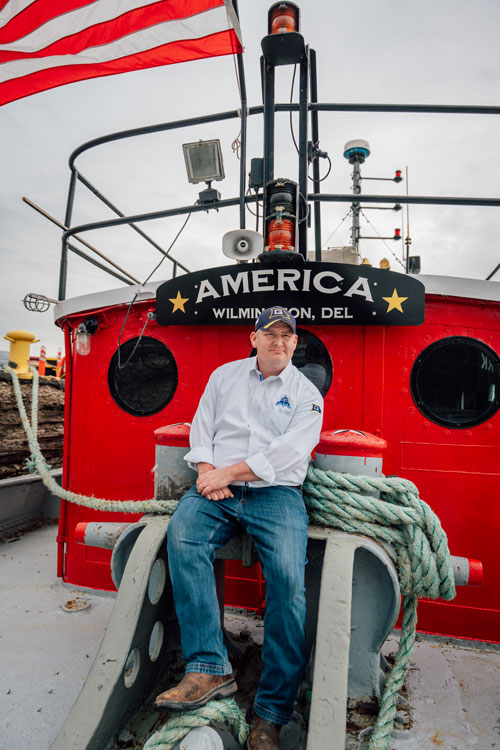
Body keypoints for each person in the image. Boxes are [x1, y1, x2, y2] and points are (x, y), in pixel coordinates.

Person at [155, 306, 324, 750]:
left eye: (286, 335)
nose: (279, 342)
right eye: (270, 333)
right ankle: (208, 667)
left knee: (287, 579)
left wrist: (225, 474)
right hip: (217, 488)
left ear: (294, 342)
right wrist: (207, 473)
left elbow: (289, 454)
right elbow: (202, 430)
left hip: (276, 494)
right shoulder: (223, 377)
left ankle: (272, 713)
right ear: (254, 339)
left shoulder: (307, 395)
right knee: (184, 535)